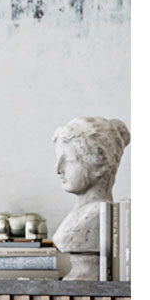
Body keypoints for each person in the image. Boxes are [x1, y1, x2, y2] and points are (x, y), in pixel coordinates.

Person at [52, 116, 131, 279]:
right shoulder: (80, 214)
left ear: (99, 165)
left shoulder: (99, 216)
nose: (58, 169)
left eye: (69, 160)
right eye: (58, 159)